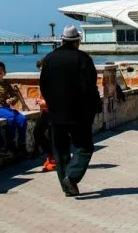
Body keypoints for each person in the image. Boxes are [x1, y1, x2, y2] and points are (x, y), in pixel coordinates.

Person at [39, 25, 102, 197]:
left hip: (56, 113)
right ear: (78, 41)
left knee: (60, 150)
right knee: (84, 147)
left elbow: (43, 85)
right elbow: (89, 86)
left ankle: (67, 185)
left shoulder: (49, 59)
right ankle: (72, 178)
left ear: (62, 40)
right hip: (79, 113)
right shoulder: (83, 59)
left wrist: (52, 103)